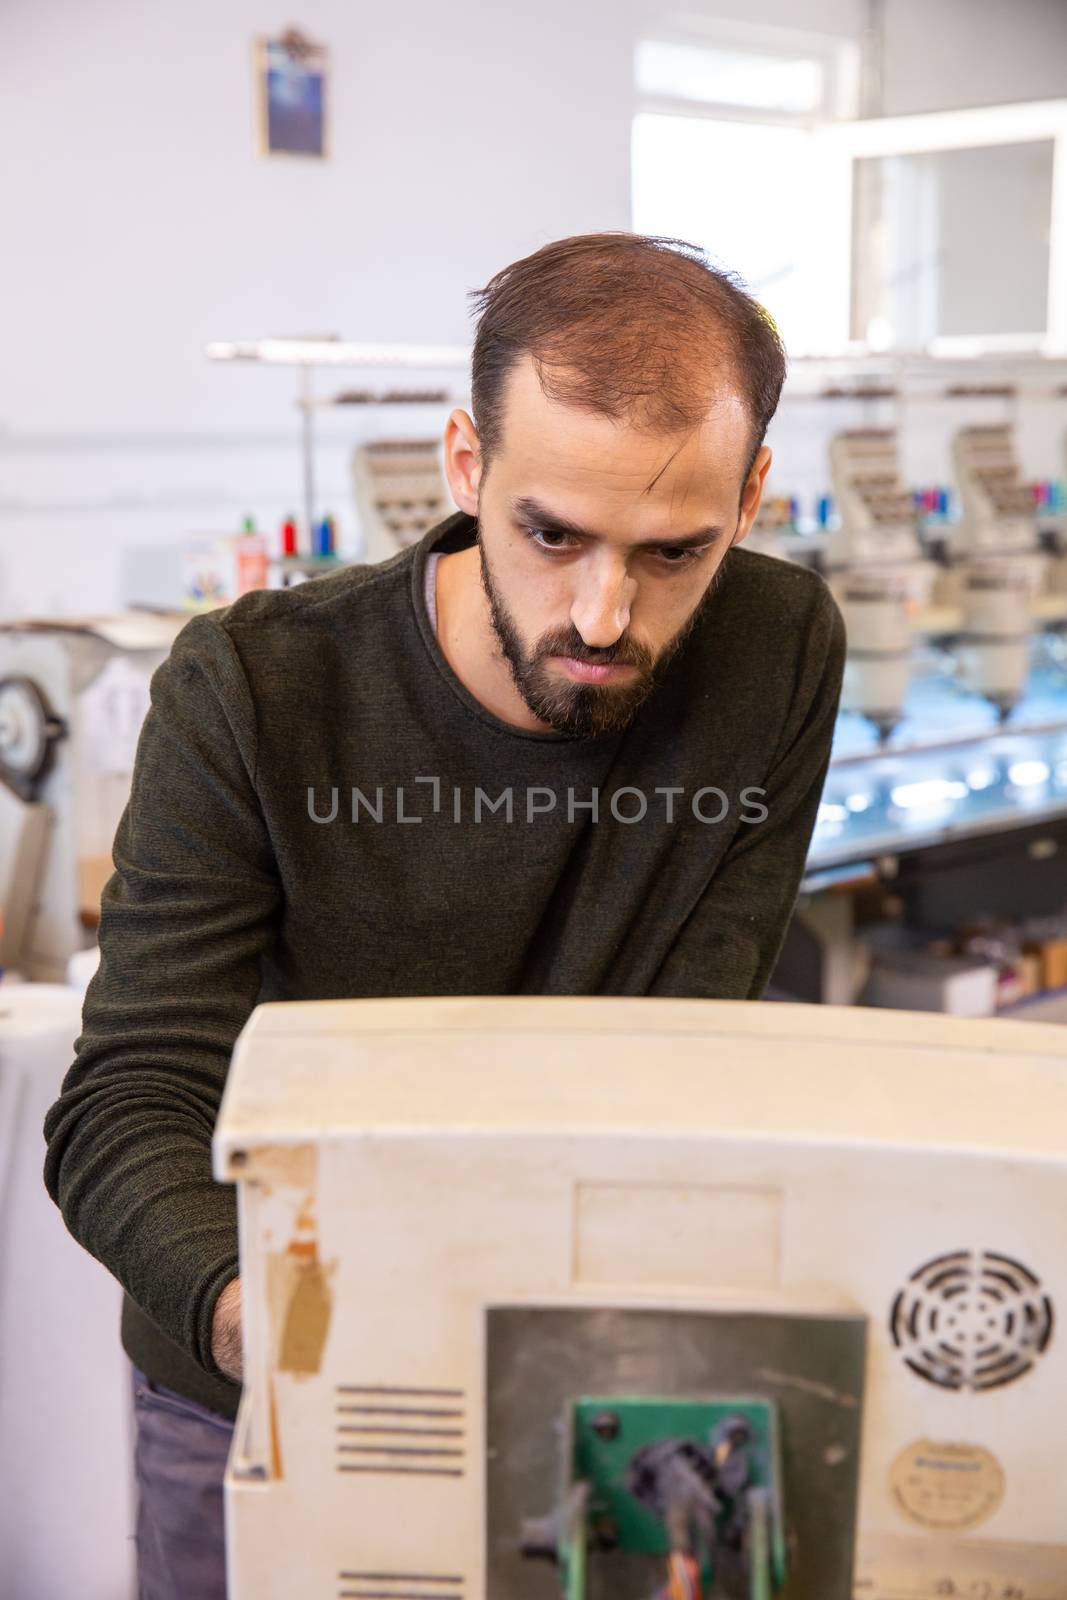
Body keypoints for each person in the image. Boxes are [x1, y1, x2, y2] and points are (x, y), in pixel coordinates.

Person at [43, 231, 845, 1598]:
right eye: (551, 535)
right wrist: (277, 1333)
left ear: (753, 495)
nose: (603, 613)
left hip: (593, 1369)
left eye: (673, 552)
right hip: (254, 1384)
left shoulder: (778, 648)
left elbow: (699, 1035)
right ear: (465, 467)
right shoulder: (255, 690)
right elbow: (124, 1104)